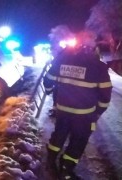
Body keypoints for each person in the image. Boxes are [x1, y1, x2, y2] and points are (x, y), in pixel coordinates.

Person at [43, 31, 112, 179]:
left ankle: (50, 161)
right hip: (85, 115)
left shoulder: (62, 60)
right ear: (94, 48)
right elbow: (105, 96)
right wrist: (98, 112)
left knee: (59, 135)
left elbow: (48, 81)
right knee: (78, 141)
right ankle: (66, 169)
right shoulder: (99, 67)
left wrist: (50, 93)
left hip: (62, 110)